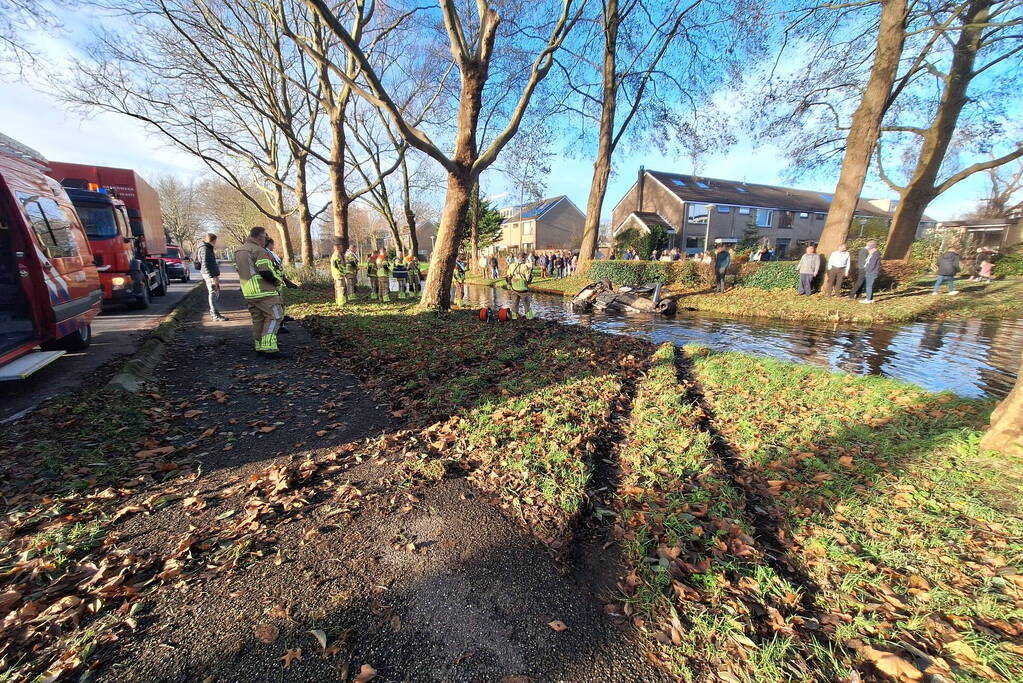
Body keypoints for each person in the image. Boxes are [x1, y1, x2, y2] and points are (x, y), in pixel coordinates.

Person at [235, 226, 291, 359]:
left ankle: (259, 345)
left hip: (249, 291)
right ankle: (269, 348)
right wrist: (278, 281)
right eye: (265, 237)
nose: (266, 240)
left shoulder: (239, 251)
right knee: (275, 316)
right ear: (259, 237)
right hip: (264, 290)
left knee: (258, 319)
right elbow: (265, 271)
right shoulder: (258, 250)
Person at [197, 232, 226, 321]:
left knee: (215, 292)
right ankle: (214, 315)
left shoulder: (206, 248)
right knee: (213, 293)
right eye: (215, 241)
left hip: (212, 274)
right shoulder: (205, 249)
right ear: (213, 240)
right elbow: (205, 263)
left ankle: (215, 313)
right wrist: (212, 277)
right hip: (210, 275)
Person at [506, 253, 534, 319]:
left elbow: (508, 276)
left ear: (517, 258)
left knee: (514, 304)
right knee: (526, 304)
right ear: (523, 258)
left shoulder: (511, 266)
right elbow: (528, 279)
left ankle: (514, 317)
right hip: (523, 288)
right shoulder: (525, 267)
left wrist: (509, 284)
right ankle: (530, 317)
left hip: (514, 287)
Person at [329, 241, 350, 305]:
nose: (342, 249)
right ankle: (341, 303)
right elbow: (338, 266)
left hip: (338, 275)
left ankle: (339, 301)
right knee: (341, 288)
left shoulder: (337, 255)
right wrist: (345, 272)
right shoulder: (336, 255)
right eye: (341, 247)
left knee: (338, 288)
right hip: (339, 275)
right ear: (338, 248)